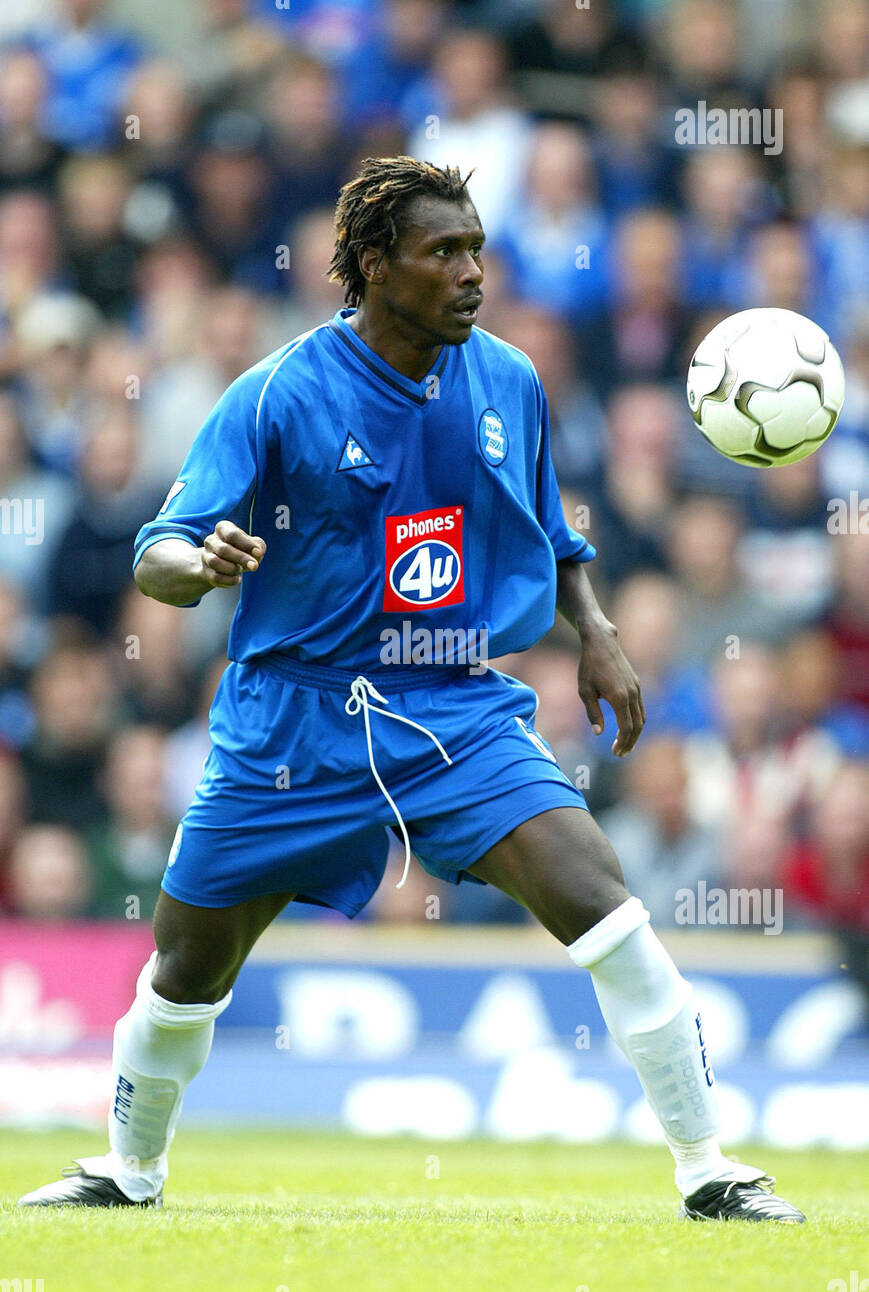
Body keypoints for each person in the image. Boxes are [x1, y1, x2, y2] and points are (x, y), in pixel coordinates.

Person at [19, 156, 803, 1222]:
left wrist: (600, 633)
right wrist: (198, 564)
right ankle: (128, 1169)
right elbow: (155, 550)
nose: (474, 271)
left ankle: (709, 1168)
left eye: (477, 247)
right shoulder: (278, 394)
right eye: (446, 252)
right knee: (185, 969)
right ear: (376, 268)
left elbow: (554, 533)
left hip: (448, 707)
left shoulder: (508, 379)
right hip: (290, 721)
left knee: (603, 904)